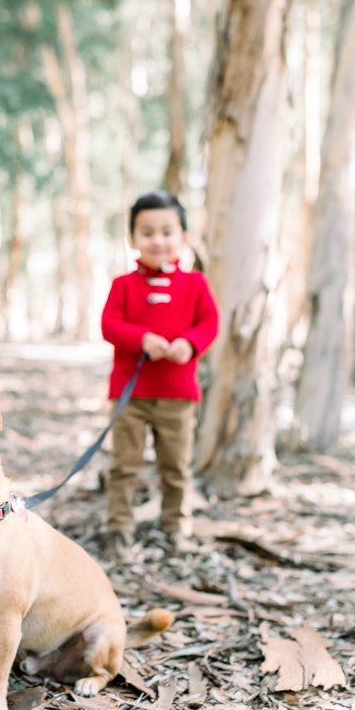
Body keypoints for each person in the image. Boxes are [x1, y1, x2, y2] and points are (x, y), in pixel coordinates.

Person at [101, 190, 219, 563]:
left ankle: (175, 527)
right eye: (147, 232)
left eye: (167, 231)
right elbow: (109, 325)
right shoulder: (123, 285)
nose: (158, 240)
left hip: (177, 394)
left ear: (183, 237)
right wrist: (143, 339)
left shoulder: (195, 284)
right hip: (130, 395)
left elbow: (210, 323)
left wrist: (190, 343)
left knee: (176, 465)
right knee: (124, 465)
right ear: (133, 238)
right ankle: (119, 528)